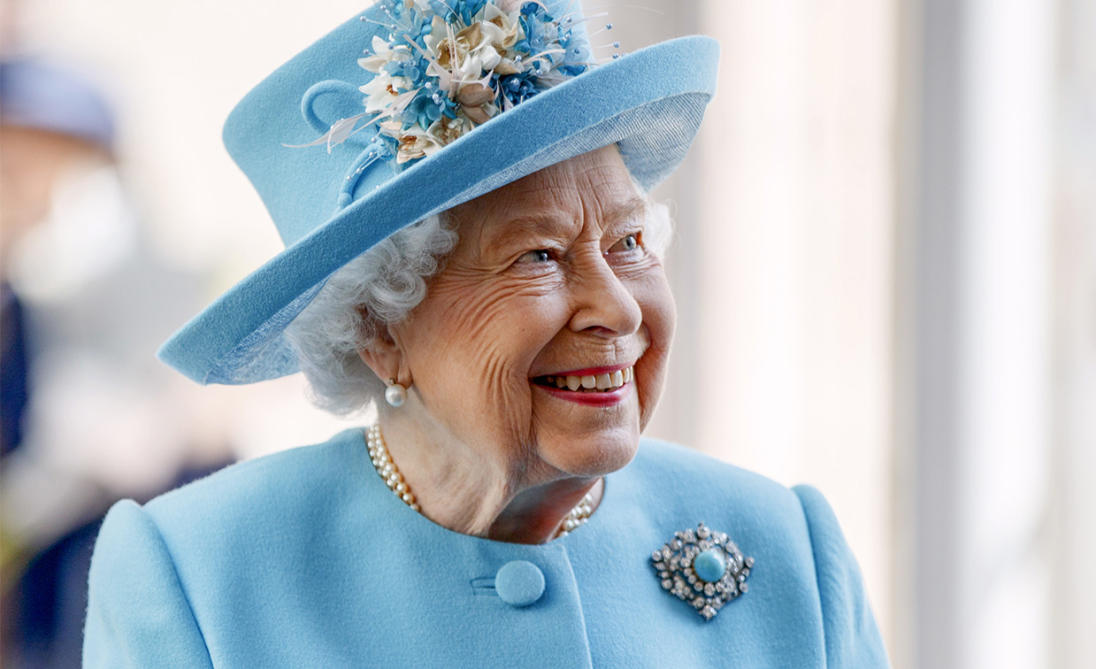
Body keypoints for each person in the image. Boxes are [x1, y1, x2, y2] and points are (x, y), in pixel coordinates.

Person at [82, 1, 890, 666]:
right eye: (538, 255)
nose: (618, 307)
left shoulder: (790, 550)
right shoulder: (197, 575)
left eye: (628, 243)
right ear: (379, 327)